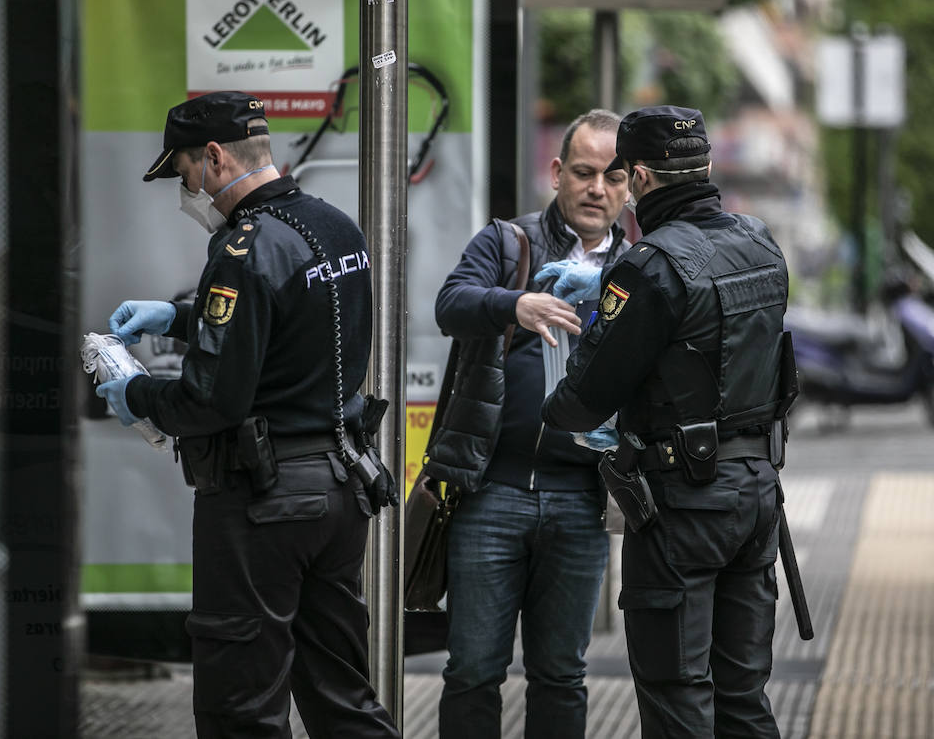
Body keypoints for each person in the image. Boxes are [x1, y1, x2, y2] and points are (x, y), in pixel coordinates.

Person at [95, 91, 400, 739]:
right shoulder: (335, 225)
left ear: (211, 158)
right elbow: (293, 327)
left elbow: (210, 401)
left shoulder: (243, 249)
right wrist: (180, 317)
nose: (187, 191)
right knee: (341, 697)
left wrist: (135, 394)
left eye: (183, 174)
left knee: (242, 707)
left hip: (264, 502)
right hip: (341, 486)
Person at [542, 105, 790, 739]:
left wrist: (584, 344)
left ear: (643, 177)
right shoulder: (760, 241)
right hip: (759, 494)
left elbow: (584, 399)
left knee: (678, 695)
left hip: (683, 507)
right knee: (743, 694)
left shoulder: (649, 266)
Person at [425, 109, 631, 739]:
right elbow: (450, 304)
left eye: (614, 176)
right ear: (556, 173)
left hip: (581, 499)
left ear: (631, 185)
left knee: (562, 672)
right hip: (492, 492)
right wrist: (515, 302)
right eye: (584, 172)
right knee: (473, 670)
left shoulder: (645, 264)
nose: (598, 188)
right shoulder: (510, 243)